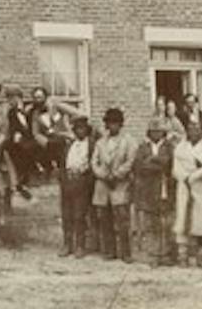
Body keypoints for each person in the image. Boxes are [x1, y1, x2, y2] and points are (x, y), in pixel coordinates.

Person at [91, 107, 137, 262]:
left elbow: (130, 161)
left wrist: (116, 175)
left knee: (122, 220)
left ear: (121, 124)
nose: (112, 126)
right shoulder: (100, 142)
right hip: (103, 185)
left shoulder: (129, 141)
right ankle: (109, 251)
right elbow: (94, 162)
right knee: (105, 219)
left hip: (120, 185)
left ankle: (126, 252)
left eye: (115, 123)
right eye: (109, 123)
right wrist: (104, 175)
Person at [173, 120, 202, 266]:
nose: (193, 131)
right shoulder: (181, 147)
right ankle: (183, 254)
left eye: (196, 128)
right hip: (184, 187)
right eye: (190, 128)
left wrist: (193, 176)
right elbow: (175, 168)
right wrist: (184, 177)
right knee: (184, 218)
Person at [133, 116, 175, 266]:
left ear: (163, 133)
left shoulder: (169, 146)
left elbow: (167, 163)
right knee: (151, 223)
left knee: (166, 222)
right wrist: (155, 162)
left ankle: (167, 253)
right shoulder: (143, 147)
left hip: (165, 188)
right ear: (148, 133)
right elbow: (139, 166)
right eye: (153, 131)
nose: (156, 134)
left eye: (159, 131)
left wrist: (151, 160)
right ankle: (153, 253)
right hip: (148, 189)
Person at [59, 115, 94, 257]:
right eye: (77, 129)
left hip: (82, 183)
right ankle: (67, 245)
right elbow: (62, 165)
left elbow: (93, 165)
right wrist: (63, 179)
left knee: (79, 215)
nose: (80, 131)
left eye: (83, 129)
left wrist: (86, 180)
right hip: (68, 183)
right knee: (66, 215)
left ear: (87, 130)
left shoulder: (91, 145)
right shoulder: (69, 146)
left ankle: (80, 245)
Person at [30, 87, 82, 178]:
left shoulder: (56, 106)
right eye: (36, 98)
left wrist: (70, 128)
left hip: (65, 137)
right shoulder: (35, 114)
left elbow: (76, 113)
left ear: (45, 97)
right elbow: (35, 133)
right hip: (50, 141)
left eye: (40, 97)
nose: (38, 100)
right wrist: (45, 142)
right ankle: (51, 171)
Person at [2, 86, 37, 199]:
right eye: (8, 99)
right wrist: (16, 135)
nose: (9, 102)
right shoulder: (11, 112)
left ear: (18, 98)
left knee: (26, 148)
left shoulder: (30, 108)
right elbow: (13, 128)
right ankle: (18, 183)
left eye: (11, 99)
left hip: (34, 138)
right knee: (9, 146)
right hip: (23, 141)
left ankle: (23, 181)